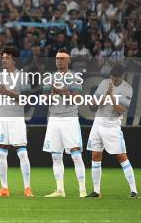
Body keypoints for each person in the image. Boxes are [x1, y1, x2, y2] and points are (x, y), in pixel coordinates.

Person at [86, 63, 138, 198]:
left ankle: (134, 190)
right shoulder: (104, 83)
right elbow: (92, 104)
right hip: (98, 123)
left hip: (112, 125)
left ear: (123, 76)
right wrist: (102, 98)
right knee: (95, 156)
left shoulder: (128, 89)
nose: (114, 81)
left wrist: (110, 96)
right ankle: (96, 191)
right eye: (113, 79)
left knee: (121, 156)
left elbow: (122, 110)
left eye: (117, 79)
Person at [43, 48, 87, 198]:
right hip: (54, 118)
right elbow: (46, 100)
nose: (59, 61)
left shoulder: (75, 78)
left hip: (69, 119)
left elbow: (75, 99)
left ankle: (82, 190)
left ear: (69, 60)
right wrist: (50, 94)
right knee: (56, 155)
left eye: (62, 58)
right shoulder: (49, 78)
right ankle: (60, 190)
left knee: (75, 154)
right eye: (57, 58)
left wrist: (59, 91)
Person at [0, 46, 33, 197]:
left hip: (16, 118)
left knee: (22, 152)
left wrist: (9, 93)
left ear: (14, 59)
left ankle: (27, 188)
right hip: (2, 117)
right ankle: (4, 188)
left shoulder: (22, 76)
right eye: (2, 57)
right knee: (1, 153)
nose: (3, 60)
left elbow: (27, 99)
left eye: (6, 57)